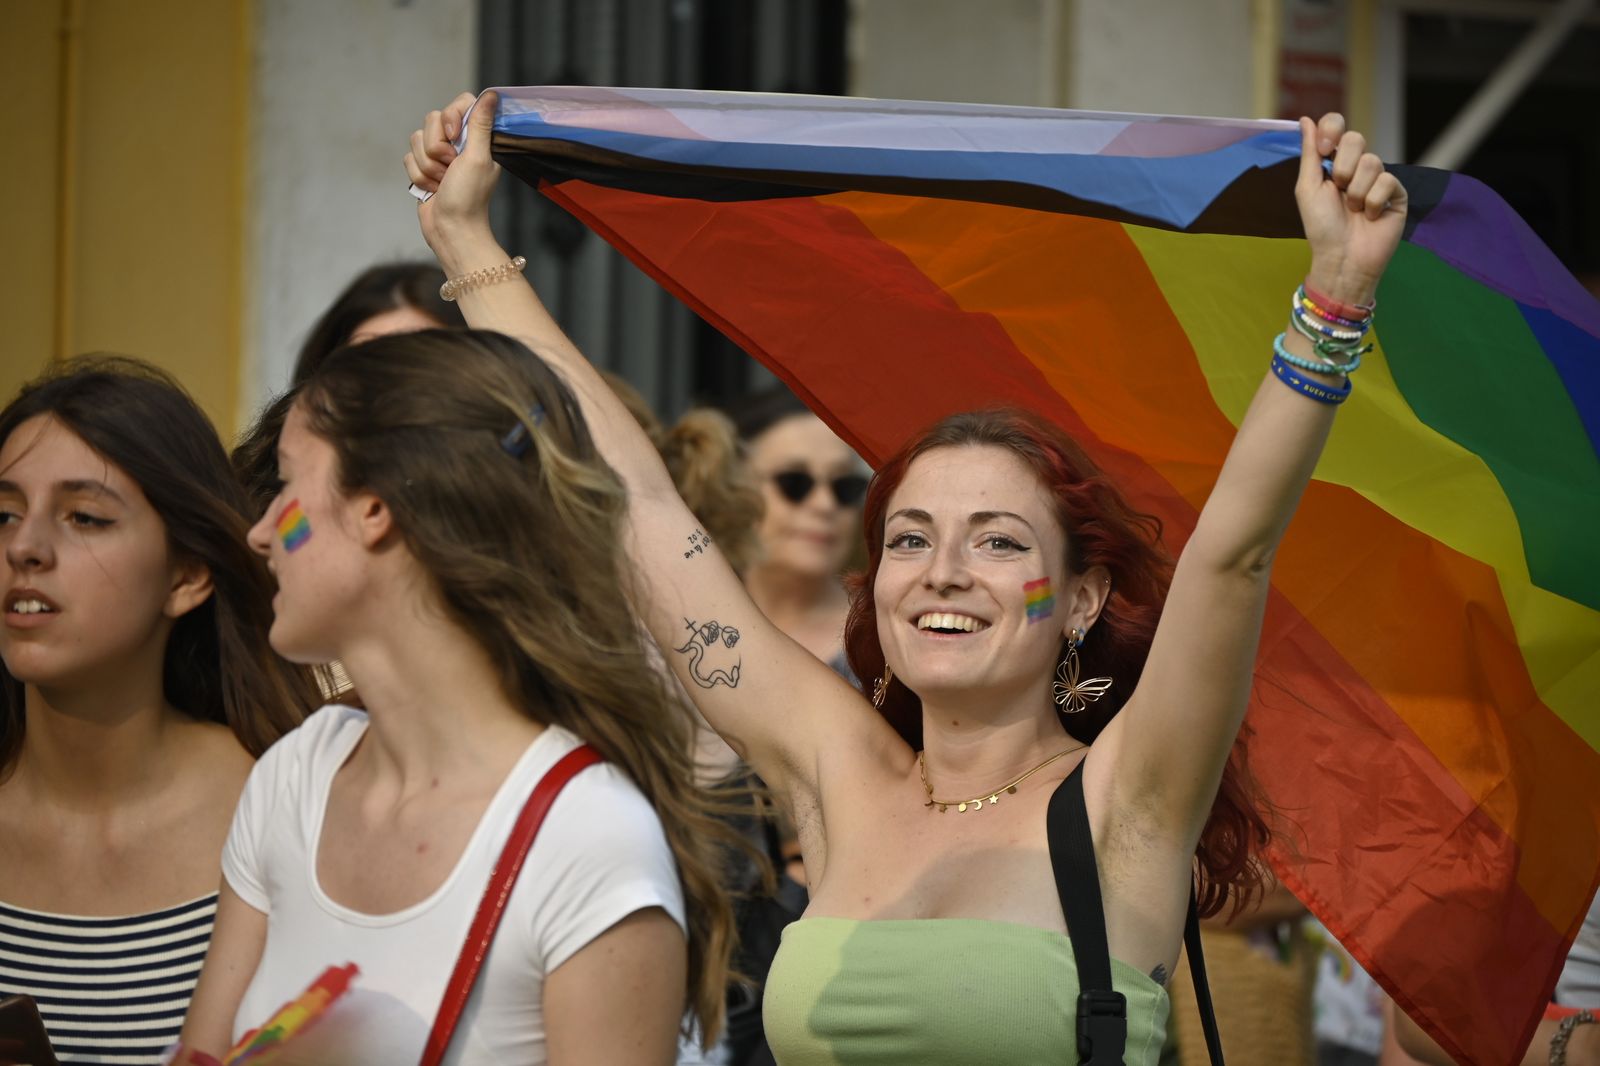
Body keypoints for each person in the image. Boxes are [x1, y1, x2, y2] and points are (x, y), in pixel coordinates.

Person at [405, 92, 1405, 1063]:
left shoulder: (1127, 796)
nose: (945, 574)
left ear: (1083, 599)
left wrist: (1335, 297)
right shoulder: (832, 769)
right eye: (911, 539)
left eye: (1000, 542)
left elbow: (1232, 553)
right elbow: (644, 510)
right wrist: (469, 249)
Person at [178, 330, 740, 1064]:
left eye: (287, 485)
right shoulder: (294, 776)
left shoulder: (588, 833)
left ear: (374, 510)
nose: (259, 532)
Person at [0, 357, 317, 1065]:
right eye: (3, 513)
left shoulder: (289, 809)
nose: (24, 547)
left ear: (188, 574)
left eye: (84, 516)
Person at [235, 261, 465, 517]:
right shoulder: (275, 507)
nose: (391, 388)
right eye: (367, 363)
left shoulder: (491, 511)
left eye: (418, 365)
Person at [733, 388, 867, 685]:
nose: (825, 505)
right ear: (736, 489)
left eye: (845, 485)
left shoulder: (886, 643)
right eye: (794, 482)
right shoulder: (681, 618)